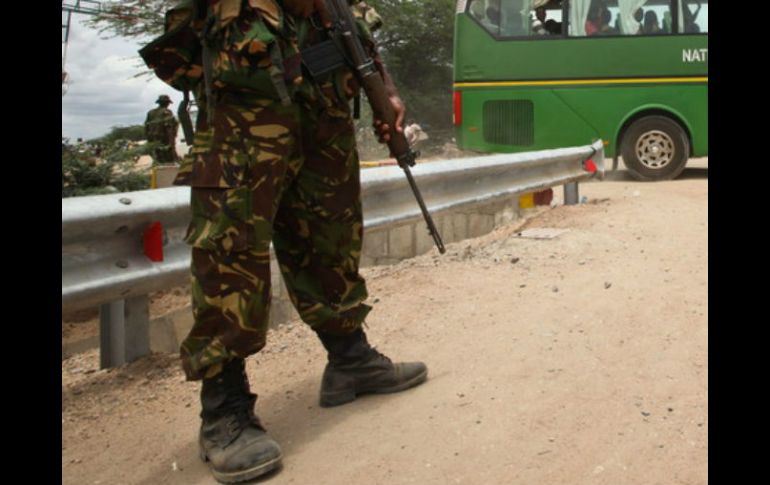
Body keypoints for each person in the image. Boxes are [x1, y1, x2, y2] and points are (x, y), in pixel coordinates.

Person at [143, 0, 428, 483]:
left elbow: (362, 43)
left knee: (331, 242)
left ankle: (350, 359)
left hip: (324, 121)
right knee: (230, 259)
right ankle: (224, 408)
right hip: (243, 130)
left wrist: (388, 94)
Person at [143, 94, 179, 163]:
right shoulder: (167, 112)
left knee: (158, 161)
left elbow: (146, 128)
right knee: (169, 162)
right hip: (164, 141)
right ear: (167, 103)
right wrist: (172, 145)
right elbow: (169, 129)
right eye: (168, 103)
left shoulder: (150, 113)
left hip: (153, 141)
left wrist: (149, 141)